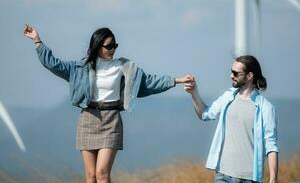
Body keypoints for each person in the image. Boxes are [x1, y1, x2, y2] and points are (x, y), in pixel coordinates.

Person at [24, 24, 191, 183]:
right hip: (88, 120)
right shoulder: (80, 67)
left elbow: (149, 82)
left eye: (115, 45)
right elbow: (53, 64)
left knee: (102, 174)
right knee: (90, 176)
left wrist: (175, 80)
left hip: (111, 121)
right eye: (109, 46)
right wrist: (37, 41)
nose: (113, 49)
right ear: (97, 46)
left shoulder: (124, 67)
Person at [184, 55, 279, 183]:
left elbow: (271, 146)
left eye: (235, 73)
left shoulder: (266, 108)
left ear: (250, 76)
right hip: (222, 175)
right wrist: (194, 93)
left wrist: (273, 178)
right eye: (231, 71)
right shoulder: (228, 97)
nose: (231, 76)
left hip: (249, 178)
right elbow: (204, 114)